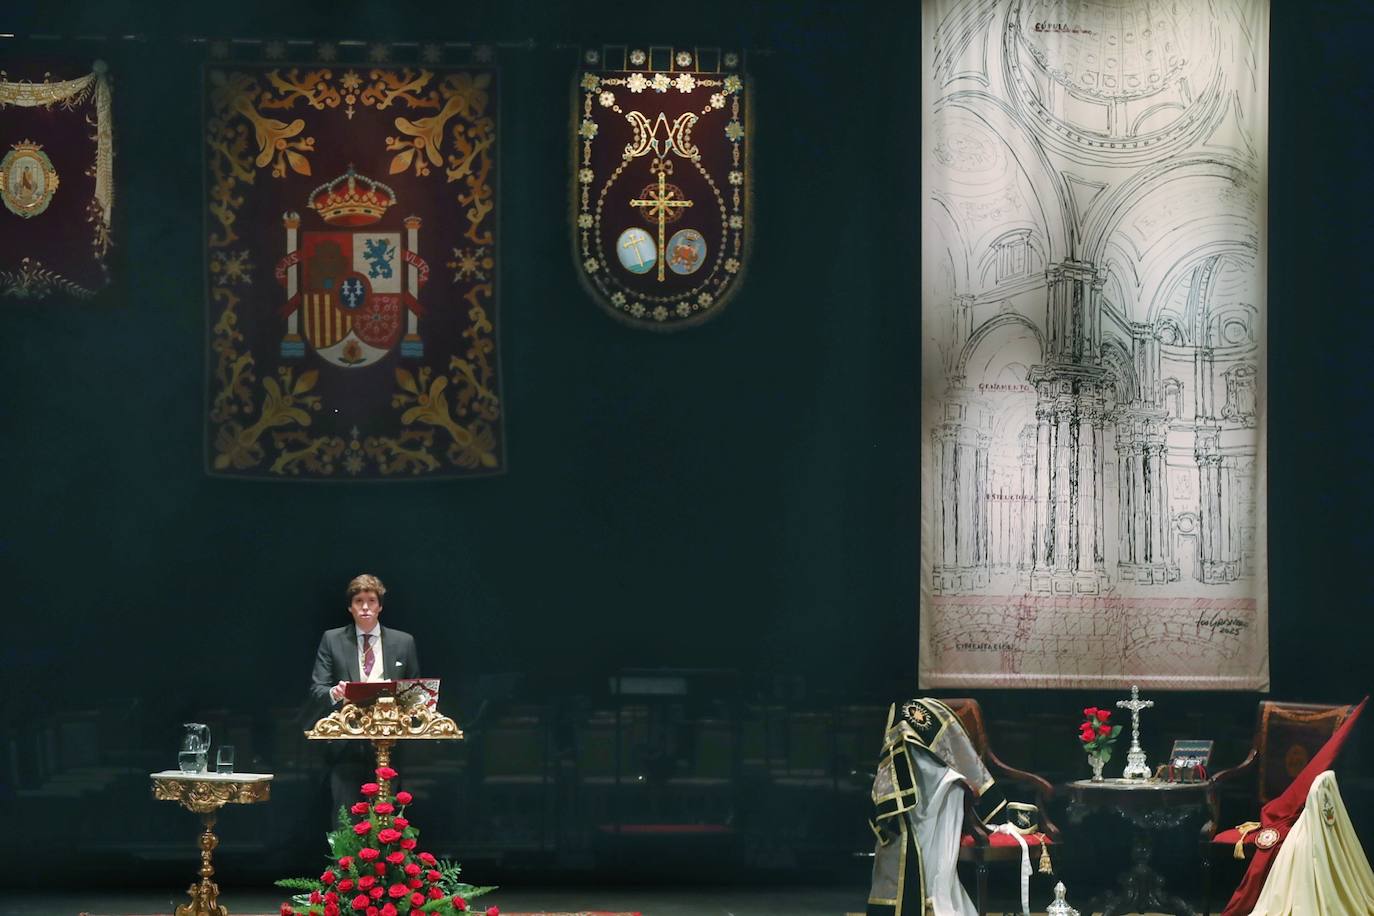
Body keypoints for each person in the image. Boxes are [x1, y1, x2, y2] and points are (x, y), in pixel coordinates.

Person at [309, 573, 422, 818]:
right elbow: (318, 689)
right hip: (346, 747)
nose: (365, 607)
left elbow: (415, 693)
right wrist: (334, 692)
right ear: (350, 607)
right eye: (359, 601)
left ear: (380, 606)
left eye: (371, 600)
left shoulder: (404, 642)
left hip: (390, 744)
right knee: (346, 820)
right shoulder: (332, 639)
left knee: (388, 821)